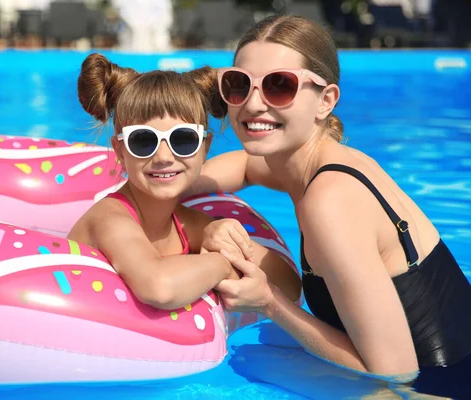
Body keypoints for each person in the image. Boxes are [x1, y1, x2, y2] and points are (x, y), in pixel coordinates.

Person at [187, 15, 471, 397]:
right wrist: (166, 187)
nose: (253, 105)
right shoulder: (312, 162)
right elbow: (243, 166)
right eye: (239, 85)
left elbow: (394, 374)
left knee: (252, 361)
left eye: (279, 86)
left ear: (326, 100)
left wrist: (268, 301)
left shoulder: (330, 201)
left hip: (434, 387)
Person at [67, 53, 301, 311]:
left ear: (204, 147)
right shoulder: (109, 219)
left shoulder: (185, 224)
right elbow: (159, 287)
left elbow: (288, 284)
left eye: (183, 140)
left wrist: (219, 232)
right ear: (120, 151)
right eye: (143, 141)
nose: (164, 157)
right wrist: (223, 263)